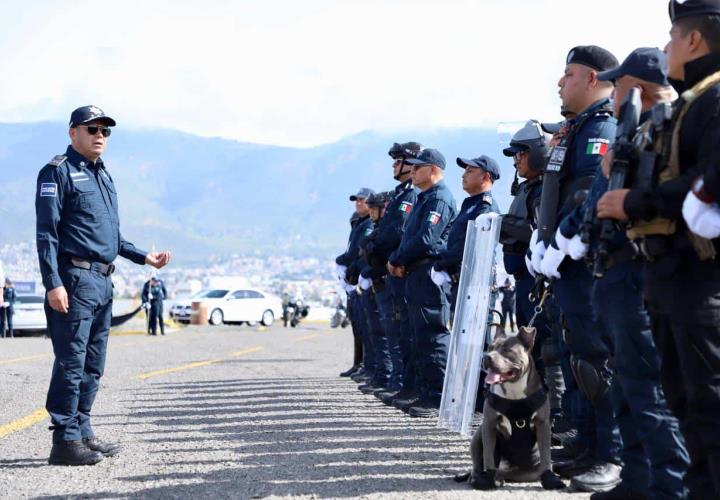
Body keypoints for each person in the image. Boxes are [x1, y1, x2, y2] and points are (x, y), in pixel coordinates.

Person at [552, 47, 689, 500]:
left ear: (642, 91)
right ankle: (636, 481)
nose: (612, 95)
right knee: (629, 388)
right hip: (614, 275)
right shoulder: (638, 133)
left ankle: (668, 488)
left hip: (641, 274)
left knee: (650, 394)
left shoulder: (668, 131)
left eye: (621, 86)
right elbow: (594, 194)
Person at [596, 4, 720, 495]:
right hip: (669, 277)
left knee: (708, 410)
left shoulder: (713, 100)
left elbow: (707, 182)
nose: (666, 47)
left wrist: (635, 200)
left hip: (698, 279)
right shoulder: (693, 102)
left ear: (693, 42)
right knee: (687, 407)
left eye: (672, 37)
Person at [36, 105, 171, 466]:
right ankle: (64, 441)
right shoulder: (57, 172)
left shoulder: (104, 177)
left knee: (93, 363)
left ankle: (82, 430)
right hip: (74, 279)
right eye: (91, 128)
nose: (99, 135)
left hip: (102, 280)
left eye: (105, 131)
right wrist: (53, 283)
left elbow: (112, 237)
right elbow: (47, 234)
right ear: (72, 133)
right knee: (72, 360)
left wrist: (145, 258)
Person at [531, 46, 623, 492]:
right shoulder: (576, 129)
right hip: (563, 260)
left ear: (591, 78)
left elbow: (586, 192)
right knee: (575, 356)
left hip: (584, 260)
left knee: (597, 360)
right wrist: (542, 239)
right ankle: (588, 443)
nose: (559, 83)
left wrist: (564, 242)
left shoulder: (601, 127)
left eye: (567, 74)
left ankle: (611, 453)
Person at [387, 148, 457, 418]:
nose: (412, 172)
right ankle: (425, 392)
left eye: (418, 167)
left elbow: (427, 239)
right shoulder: (425, 198)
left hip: (429, 274)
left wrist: (397, 258)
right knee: (419, 336)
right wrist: (398, 259)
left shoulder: (439, 199)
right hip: (415, 273)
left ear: (433, 170)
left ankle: (438, 397)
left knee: (433, 335)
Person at [365, 142, 422, 407]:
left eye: (397, 160)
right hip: (390, 271)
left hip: (401, 271)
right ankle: (401, 383)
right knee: (396, 332)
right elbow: (385, 228)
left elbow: (397, 230)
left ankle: (406, 384)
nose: (393, 165)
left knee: (407, 334)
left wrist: (377, 247)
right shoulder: (401, 194)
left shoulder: (410, 195)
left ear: (409, 163)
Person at [432, 155, 500, 309]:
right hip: (463, 283)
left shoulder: (484, 207)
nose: (463, 175)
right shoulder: (470, 205)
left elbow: (468, 245)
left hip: (476, 285)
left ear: (485, 177)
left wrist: (440, 264)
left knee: (476, 333)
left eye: (470, 171)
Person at [336, 188, 374, 379]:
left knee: (366, 326)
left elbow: (356, 254)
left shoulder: (369, 224)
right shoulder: (359, 223)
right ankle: (358, 363)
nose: (358, 203)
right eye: (356, 200)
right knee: (357, 324)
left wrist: (341, 260)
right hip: (352, 282)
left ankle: (366, 365)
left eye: (362, 200)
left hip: (361, 280)